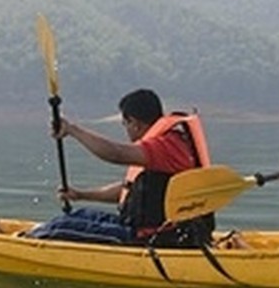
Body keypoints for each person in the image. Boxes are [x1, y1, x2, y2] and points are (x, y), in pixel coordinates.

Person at [18, 88, 214, 246]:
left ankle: (19, 240)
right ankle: (28, 233)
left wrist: (72, 130)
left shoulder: (166, 146)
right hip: (139, 226)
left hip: (150, 237)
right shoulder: (166, 144)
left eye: (125, 124)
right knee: (77, 215)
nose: (126, 130)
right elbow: (128, 190)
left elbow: (115, 154)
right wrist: (81, 194)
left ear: (134, 123)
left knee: (58, 230)